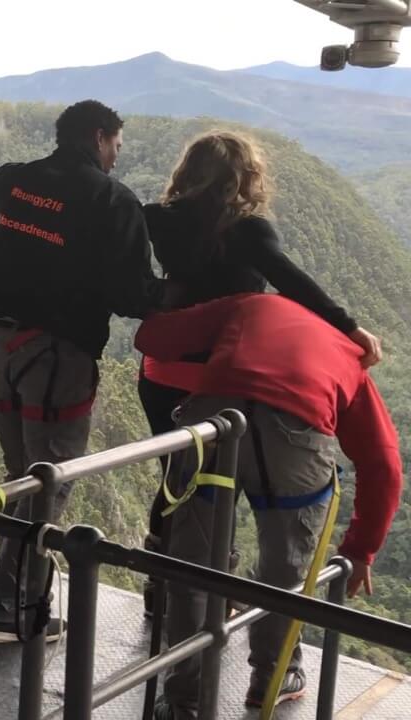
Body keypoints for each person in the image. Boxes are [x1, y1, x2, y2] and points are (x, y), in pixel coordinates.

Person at [137, 130, 383, 611]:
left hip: (162, 370)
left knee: (180, 479)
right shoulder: (246, 229)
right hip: (221, 378)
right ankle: (215, 589)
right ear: (245, 176)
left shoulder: (155, 219)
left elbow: (132, 278)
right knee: (228, 488)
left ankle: (165, 587)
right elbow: (288, 278)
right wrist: (348, 327)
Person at [134, 293, 402, 719]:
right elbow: (384, 463)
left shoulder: (254, 304)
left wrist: (220, 349)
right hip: (297, 435)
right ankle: (273, 679)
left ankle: (183, 697)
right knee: (285, 565)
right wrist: (359, 550)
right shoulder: (350, 356)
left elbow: (152, 336)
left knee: (193, 563)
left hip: (214, 419)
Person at [0, 99, 167, 642]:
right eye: (117, 148)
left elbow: (1, 197)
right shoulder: (111, 199)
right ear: (100, 137)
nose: (117, 159)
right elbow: (133, 294)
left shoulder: (13, 181)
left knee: (21, 478)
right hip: (56, 357)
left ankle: (11, 596)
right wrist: (181, 295)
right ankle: (11, 607)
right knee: (48, 483)